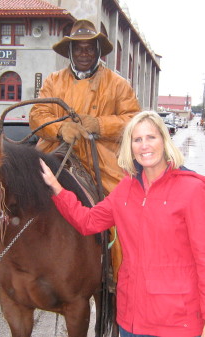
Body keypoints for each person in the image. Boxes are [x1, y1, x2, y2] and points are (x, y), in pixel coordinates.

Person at [40, 111, 205, 337]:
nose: (144, 145)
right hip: (131, 320)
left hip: (176, 323)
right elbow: (87, 221)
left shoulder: (192, 192)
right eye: (137, 140)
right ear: (130, 147)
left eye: (151, 137)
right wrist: (57, 188)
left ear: (165, 140)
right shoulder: (126, 189)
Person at [30, 19, 141, 280]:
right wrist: (59, 129)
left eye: (89, 48)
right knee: (10, 190)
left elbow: (133, 119)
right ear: (69, 51)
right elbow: (38, 113)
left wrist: (100, 124)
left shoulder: (118, 84)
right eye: (78, 48)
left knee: (124, 208)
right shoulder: (52, 81)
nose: (83, 53)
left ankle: (120, 274)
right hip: (54, 148)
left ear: (98, 51)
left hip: (101, 154)